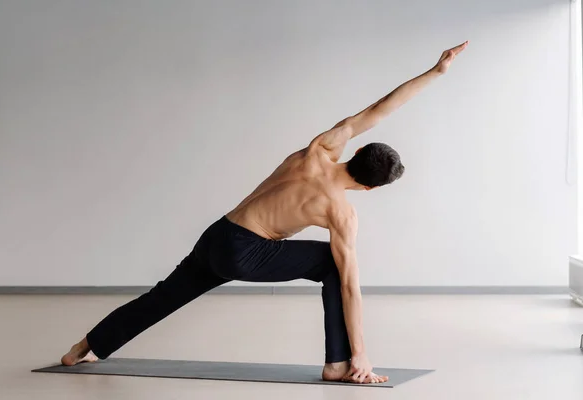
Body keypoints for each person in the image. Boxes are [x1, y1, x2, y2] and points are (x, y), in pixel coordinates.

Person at [61, 41, 468, 384]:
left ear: (358, 150)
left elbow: (380, 109)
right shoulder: (340, 212)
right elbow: (349, 288)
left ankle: (88, 346)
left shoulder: (320, 149)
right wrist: (362, 354)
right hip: (246, 253)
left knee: (165, 296)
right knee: (335, 265)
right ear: (370, 188)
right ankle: (339, 363)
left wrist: (436, 71)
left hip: (217, 235)